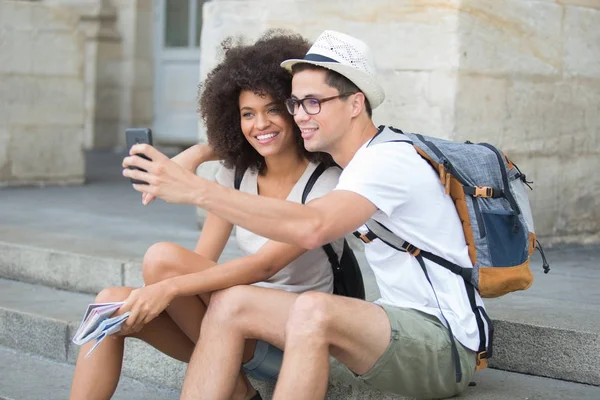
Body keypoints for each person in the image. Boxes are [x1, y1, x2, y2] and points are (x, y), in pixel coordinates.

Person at [123, 30, 489, 400]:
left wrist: (197, 190)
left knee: (313, 310)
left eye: (313, 103)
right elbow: (265, 139)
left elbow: (311, 227)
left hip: (443, 346)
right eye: (295, 104)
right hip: (392, 325)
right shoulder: (362, 160)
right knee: (232, 302)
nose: (300, 116)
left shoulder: (387, 162)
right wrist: (205, 151)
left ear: (354, 104)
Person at [69, 31, 343, 400]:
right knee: (109, 303)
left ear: (295, 109)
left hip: (292, 337)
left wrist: (165, 288)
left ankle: (235, 388)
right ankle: (235, 386)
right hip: (229, 327)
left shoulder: (326, 183)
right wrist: (200, 152)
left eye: (273, 109)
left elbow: (262, 267)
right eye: (248, 114)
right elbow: (201, 262)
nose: (260, 124)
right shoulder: (236, 173)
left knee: (162, 259)